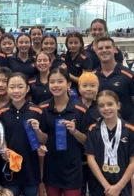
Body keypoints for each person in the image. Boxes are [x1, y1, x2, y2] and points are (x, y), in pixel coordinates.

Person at [39, 68, 87, 196]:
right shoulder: (43, 108)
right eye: (52, 82)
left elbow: (86, 140)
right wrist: (36, 130)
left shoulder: (80, 109)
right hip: (51, 168)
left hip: (72, 168)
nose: (56, 85)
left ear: (69, 84)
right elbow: (43, 140)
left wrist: (74, 131)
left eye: (60, 81)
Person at [0, 73, 48, 196]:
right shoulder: (2, 112)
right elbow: (1, 137)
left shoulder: (37, 111)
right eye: (12, 87)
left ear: (27, 89)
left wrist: (37, 130)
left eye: (20, 87)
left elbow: (44, 140)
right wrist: (3, 150)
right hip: (10, 170)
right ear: (7, 89)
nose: (16, 91)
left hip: (31, 170)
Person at [86, 90, 134, 196]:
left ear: (118, 105)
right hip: (99, 186)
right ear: (98, 109)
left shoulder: (130, 130)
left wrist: (118, 187)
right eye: (101, 106)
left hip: (122, 186)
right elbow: (90, 159)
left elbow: (133, 162)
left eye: (110, 104)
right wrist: (106, 186)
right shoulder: (93, 129)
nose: (106, 108)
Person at [94, 37, 134, 124]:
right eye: (100, 48)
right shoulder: (93, 77)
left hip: (126, 130)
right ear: (96, 52)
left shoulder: (129, 75)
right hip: (100, 130)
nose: (104, 50)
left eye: (108, 47)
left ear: (115, 50)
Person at [77, 72, 101, 196]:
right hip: (77, 159)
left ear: (98, 87)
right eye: (84, 85)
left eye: (92, 85)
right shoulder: (74, 107)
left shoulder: (103, 108)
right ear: (79, 88)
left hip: (98, 159)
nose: (88, 89)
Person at [60, 32, 92, 96]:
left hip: (79, 92)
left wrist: (67, 73)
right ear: (67, 44)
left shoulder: (85, 59)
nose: (73, 45)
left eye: (76, 43)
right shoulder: (63, 56)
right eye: (70, 43)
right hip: (64, 90)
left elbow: (84, 81)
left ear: (80, 44)